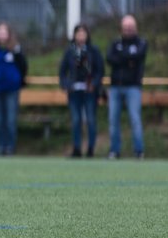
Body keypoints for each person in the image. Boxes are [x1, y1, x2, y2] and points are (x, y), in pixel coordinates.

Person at [59, 23, 105, 158]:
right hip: (74, 92)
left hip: (90, 92)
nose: (80, 36)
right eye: (78, 33)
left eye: (83, 33)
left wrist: (94, 84)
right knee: (76, 120)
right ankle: (77, 149)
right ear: (74, 35)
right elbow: (62, 72)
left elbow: (100, 71)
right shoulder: (69, 51)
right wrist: (66, 85)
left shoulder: (93, 50)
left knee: (91, 120)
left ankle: (90, 149)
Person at [106, 14, 148, 160]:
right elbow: (110, 59)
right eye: (126, 27)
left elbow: (138, 57)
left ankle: (139, 151)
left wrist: (122, 58)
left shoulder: (141, 43)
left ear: (135, 28)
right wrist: (128, 58)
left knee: (135, 119)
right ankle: (114, 151)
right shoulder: (115, 43)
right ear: (121, 28)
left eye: (131, 27)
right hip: (115, 86)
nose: (128, 29)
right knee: (113, 120)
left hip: (133, 87)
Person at [0, 22, 28, 156]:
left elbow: (23, 66)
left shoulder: (16, 49)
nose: (2, 34)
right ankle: (1, 146)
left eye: (4, 31)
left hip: (12, 89)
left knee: (11, 120)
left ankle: (10, 147)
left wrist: (19, 80)